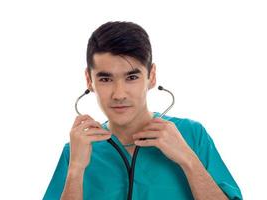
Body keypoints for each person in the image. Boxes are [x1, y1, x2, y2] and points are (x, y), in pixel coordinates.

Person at [43, 21, 243, 200]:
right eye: (105, 79)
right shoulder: (75, 152)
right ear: (89, 80)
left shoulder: (191, 135)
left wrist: (189, 160)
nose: (119, 94)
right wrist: (76, 171)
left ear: (152, 76)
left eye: (131, 77)